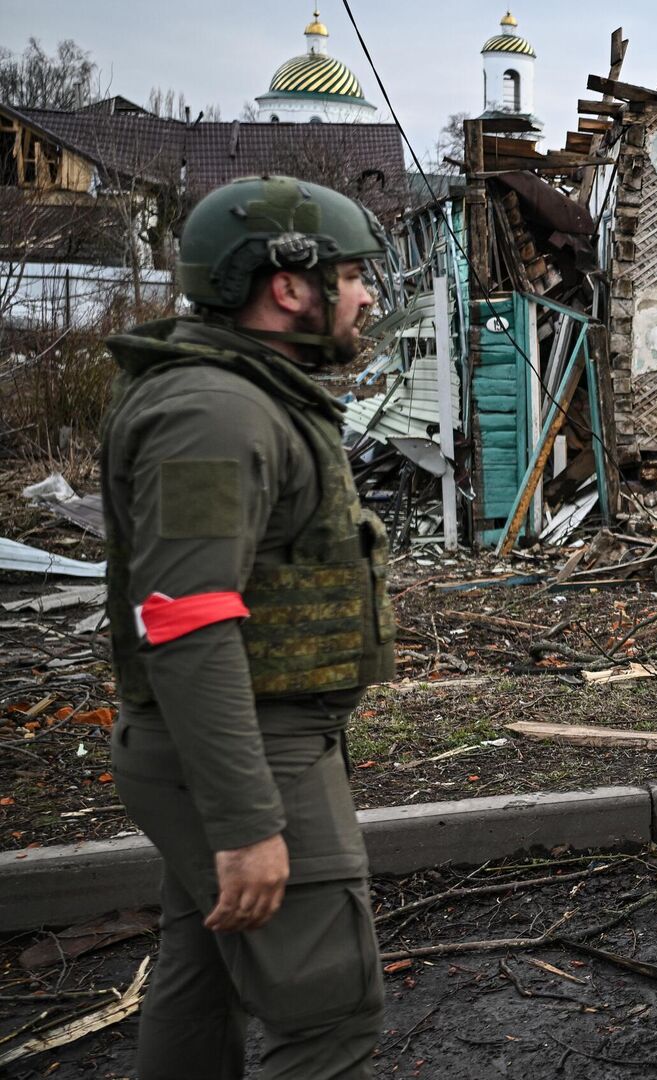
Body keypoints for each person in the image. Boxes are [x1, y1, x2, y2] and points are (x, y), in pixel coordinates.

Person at [101, 175, 394, 1079]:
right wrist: (246, 823)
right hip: (246, 753)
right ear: (288, 285)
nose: (368, 294)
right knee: (328, 1012)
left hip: (245, 741)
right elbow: (186, 621)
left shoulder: (246, 396)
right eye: (352, 275)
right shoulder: (214, 415)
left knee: (202, 982)